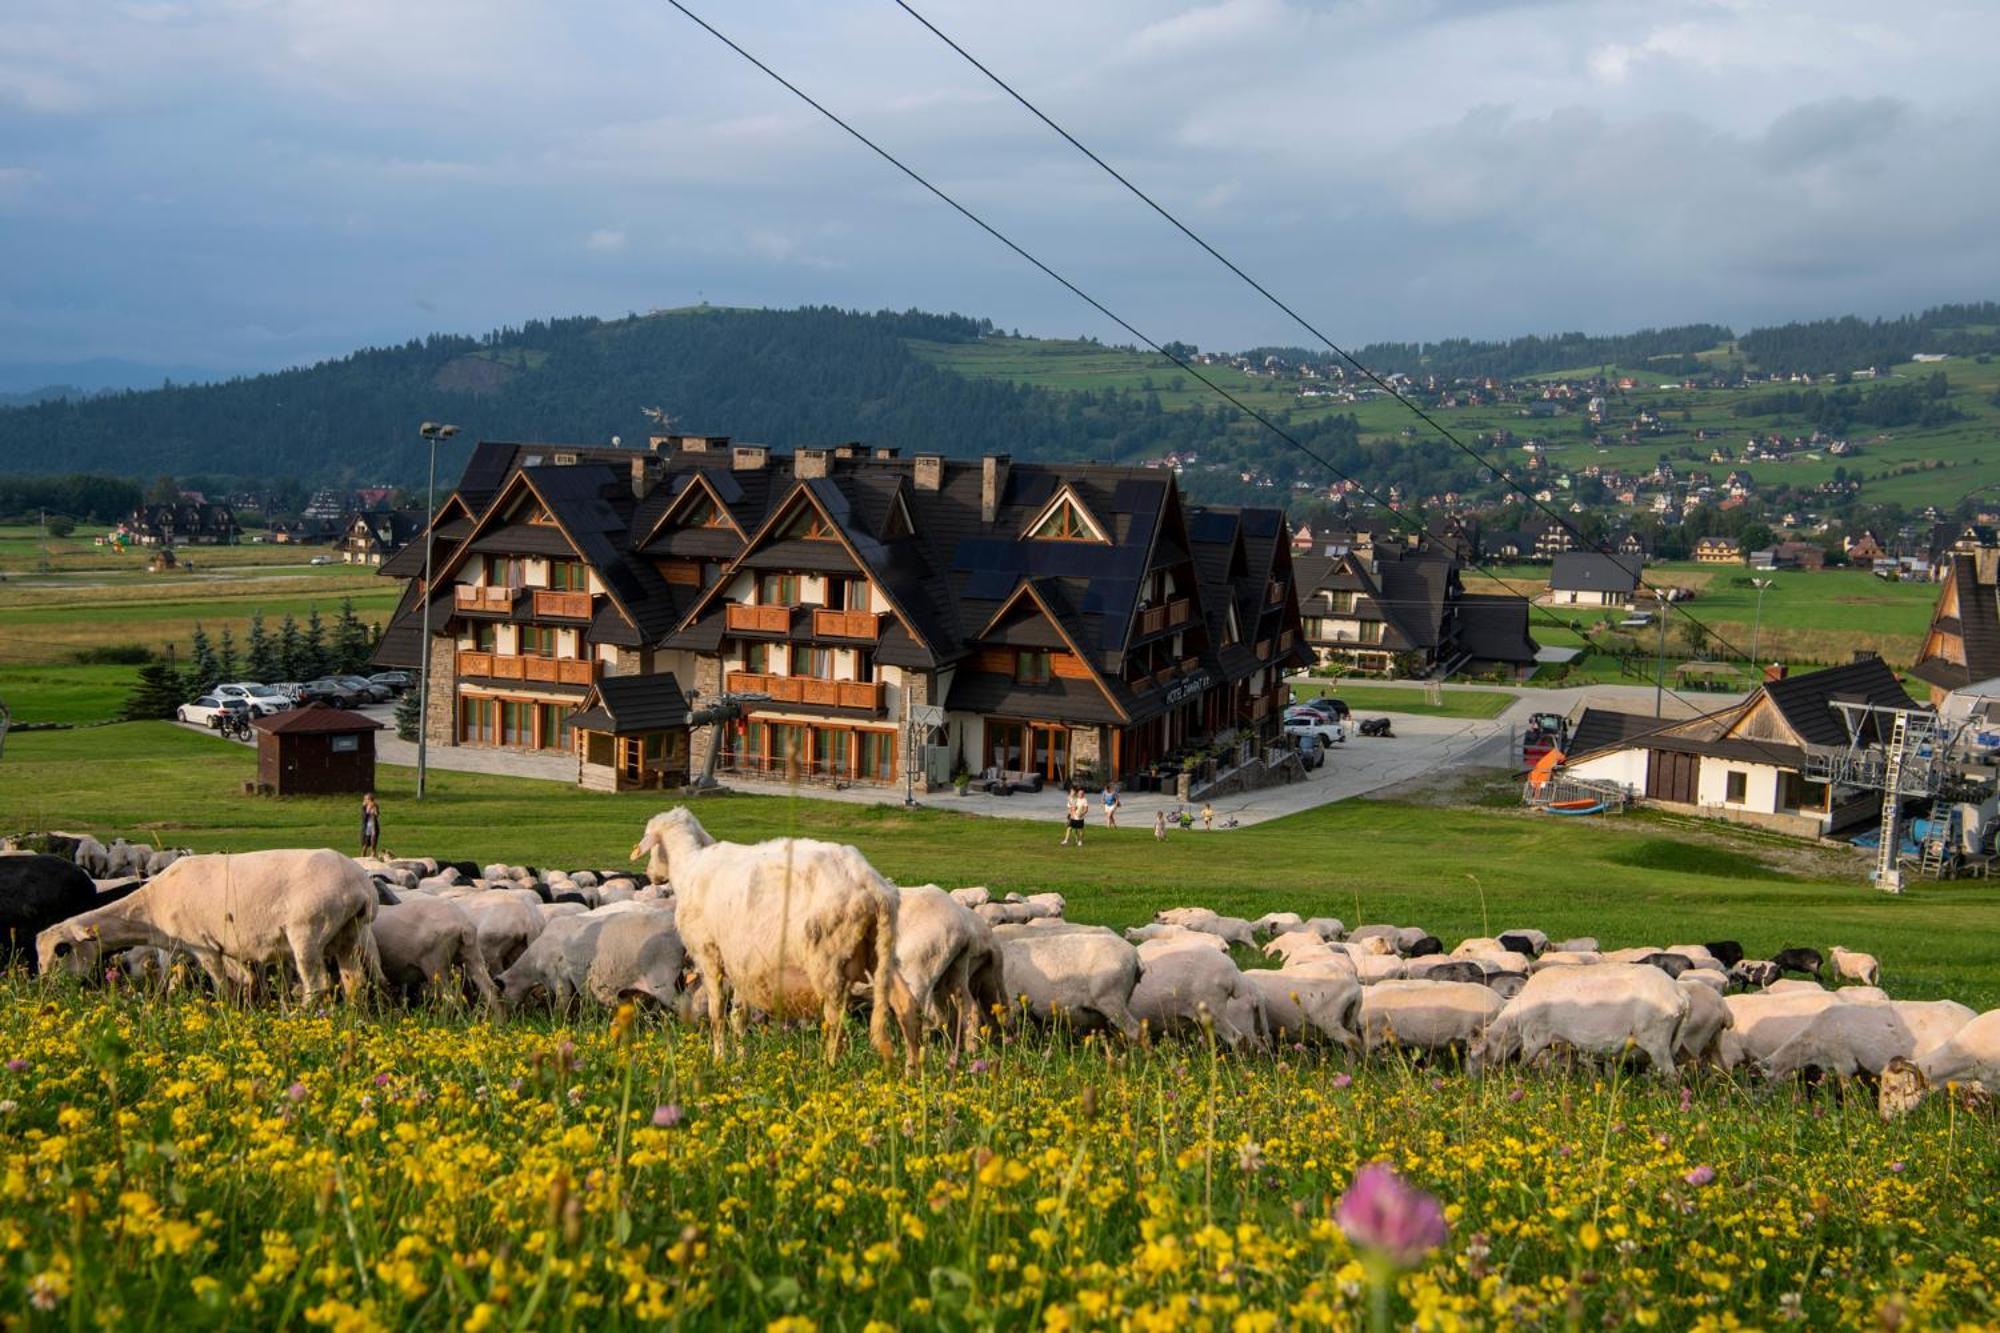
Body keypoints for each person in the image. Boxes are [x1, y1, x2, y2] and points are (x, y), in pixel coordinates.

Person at [359, 792, 381, 858]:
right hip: (366, 827)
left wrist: (374, 809)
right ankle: (362, 858)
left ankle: (373, 856)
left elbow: (377, 814)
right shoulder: (364, 807)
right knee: (365, 845)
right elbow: (364, 818)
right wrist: (368, 810)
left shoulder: (375, 806)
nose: (365, 801)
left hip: (373, 827)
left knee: (373, 844)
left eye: (366, 799)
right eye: (365, 799)